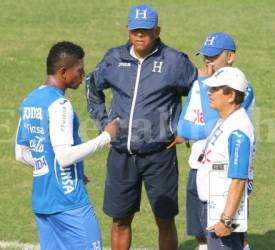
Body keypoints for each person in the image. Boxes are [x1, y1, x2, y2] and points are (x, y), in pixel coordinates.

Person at [85, 4, 197, 250]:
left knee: (165, 219)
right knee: (120, 220)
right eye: (135, 30)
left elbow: (198, 92)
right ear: (127, 30)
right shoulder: (114, 58)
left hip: (160, 155)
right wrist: (104, 124)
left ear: (157, 31)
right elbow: (92, 86)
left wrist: (185, 128)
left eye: (145, 31)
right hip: (121, 154)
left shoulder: (175, 62)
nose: (139, 35)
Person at [15, 41, 119, 250]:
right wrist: (106, 137)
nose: (83, 75)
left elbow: (21, 153)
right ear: (63, 72)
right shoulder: (60, 104)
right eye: (79, 71)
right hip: (69, 203)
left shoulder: (30, 101)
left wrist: (61, 171)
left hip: (43, 203)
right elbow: (64, 157)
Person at [174, 32, 254, 250]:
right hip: (199, 167)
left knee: (233, 238)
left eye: (214, 56)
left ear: (230, 57)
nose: (208, 61)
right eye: (205, 56)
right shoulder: (204, 87)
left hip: (225, 177)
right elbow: (181, 128)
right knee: (203, 234)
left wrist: (202, 84)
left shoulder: (239, 88)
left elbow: (212, 126)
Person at [193, 66, 255, 249]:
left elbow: (238, 180)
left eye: (215, 89)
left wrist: (226, 220)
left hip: (222, 210)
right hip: (213, 205)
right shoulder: (226, 120)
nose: (209, 92)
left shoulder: (238, 130)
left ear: (231, 95)